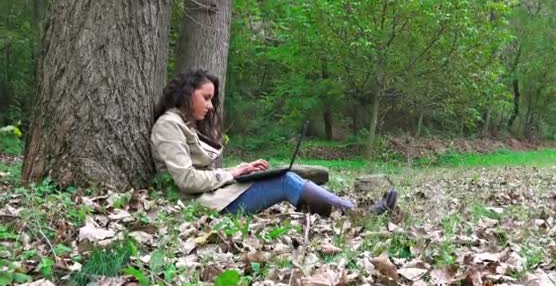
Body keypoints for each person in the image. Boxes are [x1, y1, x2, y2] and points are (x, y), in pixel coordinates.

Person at [150, 68, 397, 216]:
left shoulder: (182, 124)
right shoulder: (168, 126)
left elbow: (201, 174)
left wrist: (241, 170)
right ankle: (357, 213)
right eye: (206, 98)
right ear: (186, 93)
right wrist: (233, 173)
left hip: (212, 198)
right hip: (200, 206)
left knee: (285, 176)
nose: (210, 105)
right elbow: (187, 180)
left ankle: (351, 210)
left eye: (211, 99)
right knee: (285, 181)